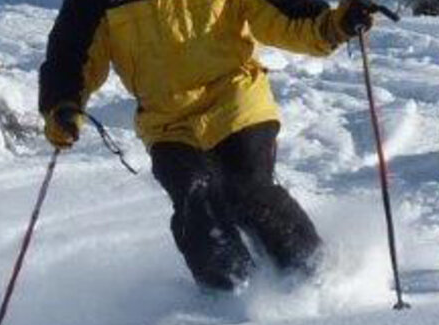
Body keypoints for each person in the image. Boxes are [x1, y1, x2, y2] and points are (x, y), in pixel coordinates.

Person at [38, 0, 386, 292]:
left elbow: (285, 14)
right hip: (167, 121)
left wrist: (336, 24)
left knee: (246, 187)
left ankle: (315, 276)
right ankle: (230, 298)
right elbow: (71, 54)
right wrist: (63, 105)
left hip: (235, 100)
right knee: (194, 192)